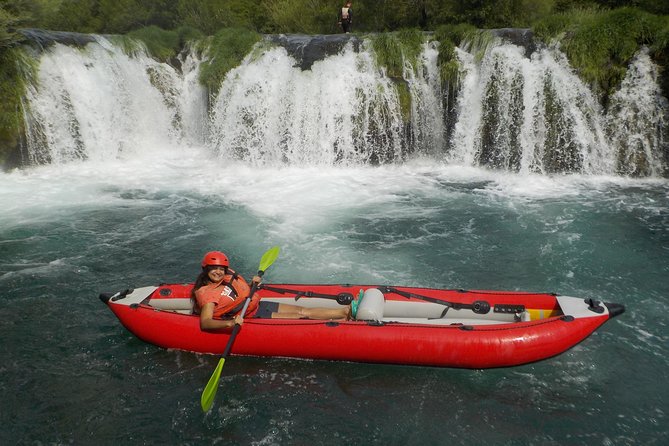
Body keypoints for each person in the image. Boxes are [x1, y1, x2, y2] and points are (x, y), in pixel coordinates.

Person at [192, 251, 351, 331]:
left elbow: (235, 292)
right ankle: (345, 321)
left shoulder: (227, 275)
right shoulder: (207, 293)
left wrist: (251, 283)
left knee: (304, 309)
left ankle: (345, 312)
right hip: (252, 315)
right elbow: (205, 323)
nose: (218, 272)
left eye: (221, 269)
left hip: (258, 304)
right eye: (214, 269)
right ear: (205, 269)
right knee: (301, 316)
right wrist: (231, 323)